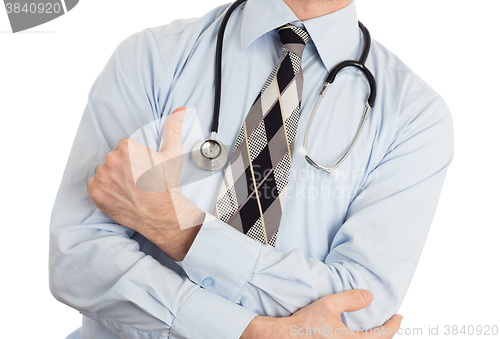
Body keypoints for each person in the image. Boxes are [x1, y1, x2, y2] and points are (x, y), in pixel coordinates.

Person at [49, 0, 454, 338]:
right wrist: (250, 332)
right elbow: (79, 258)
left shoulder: (413, 115)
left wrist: (178, 228)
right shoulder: (154, 57)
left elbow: (357, 307)